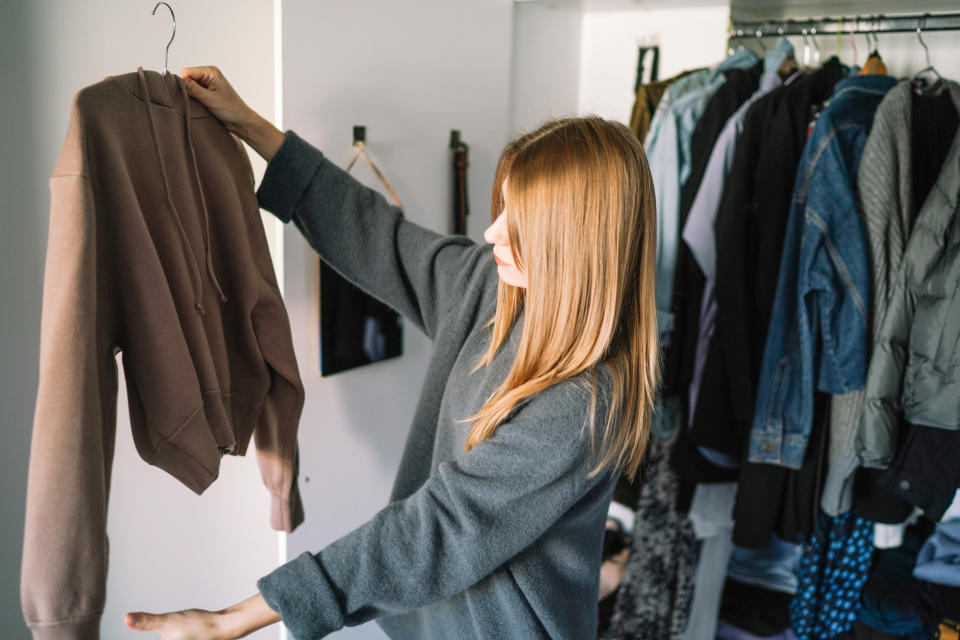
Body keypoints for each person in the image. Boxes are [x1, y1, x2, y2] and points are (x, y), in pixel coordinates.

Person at [125, 65, 660, 640]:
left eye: (520, 224)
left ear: (575, 244)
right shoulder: (492, 285)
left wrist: (233, 618)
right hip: (424, 625)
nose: (492, 234)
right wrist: (250, 126)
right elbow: (379, 238)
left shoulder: (585, 402)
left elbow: (441, 528)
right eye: (500, 210)